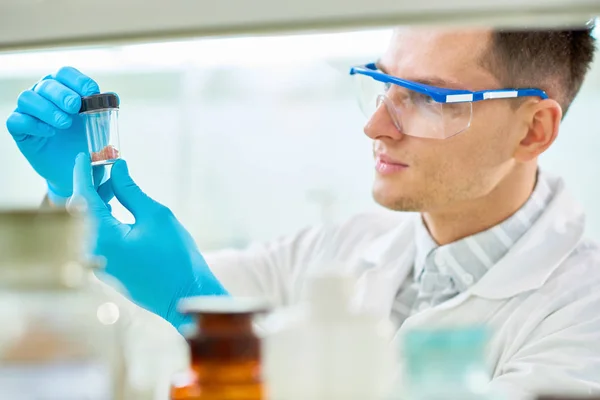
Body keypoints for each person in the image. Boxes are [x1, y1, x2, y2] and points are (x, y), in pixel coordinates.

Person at [6, 23, 600, 398]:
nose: (375, 125)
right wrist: (73, 209)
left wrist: (202, 315)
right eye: (382, 83)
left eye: (425, 98)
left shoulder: (583, 321)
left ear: (533, 130)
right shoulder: (334, 252)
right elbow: (106, 333)